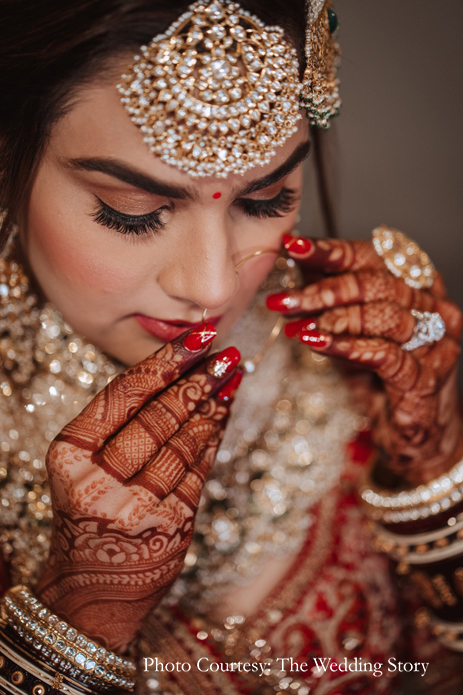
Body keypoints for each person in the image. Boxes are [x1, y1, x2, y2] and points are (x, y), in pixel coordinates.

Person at [0, 1, 461, 694]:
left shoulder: (364, 373)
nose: (211, 286)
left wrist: (434, 478)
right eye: (133, 210)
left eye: (267, 198)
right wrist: (74, 622)